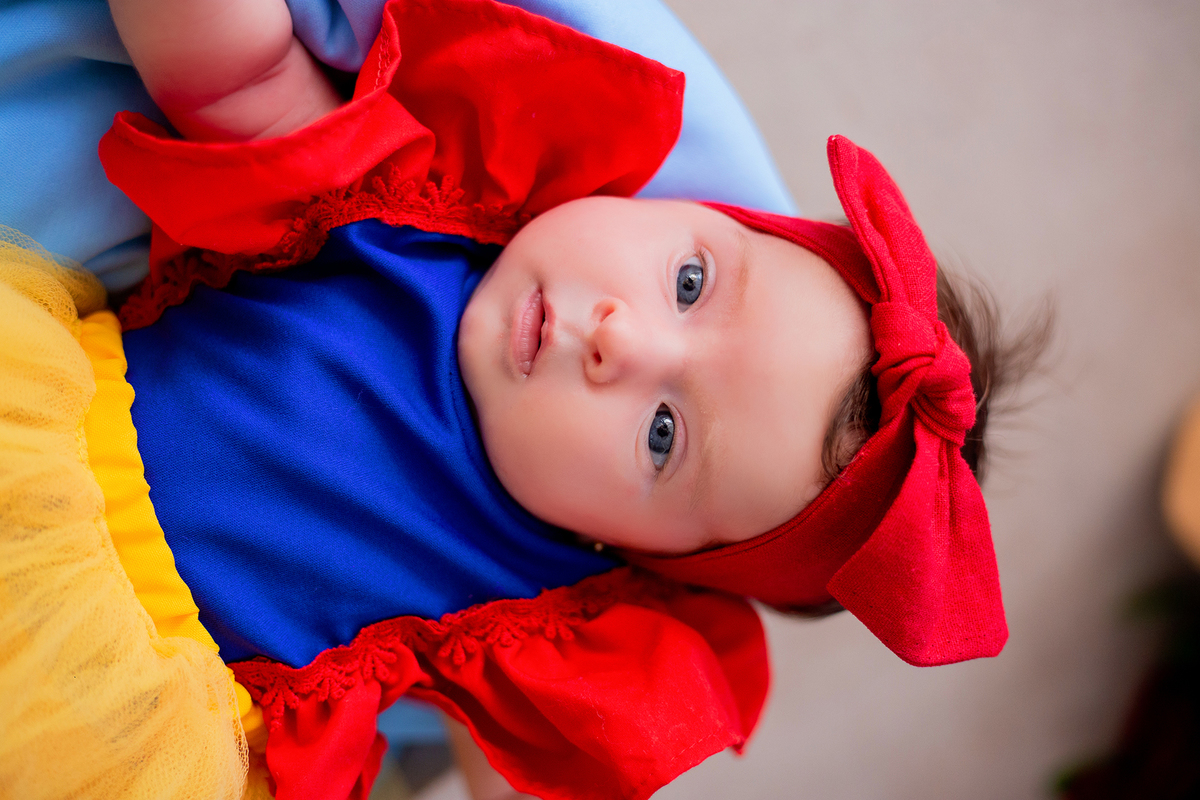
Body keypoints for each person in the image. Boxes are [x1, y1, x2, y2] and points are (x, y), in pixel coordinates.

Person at [0, 0, 1031, 797]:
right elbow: (239, 73)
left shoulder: (542, 623)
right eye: (690, 281)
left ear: (642, 557)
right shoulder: (397, 213)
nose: (618, 337)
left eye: (663, 434)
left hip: (117, 721)